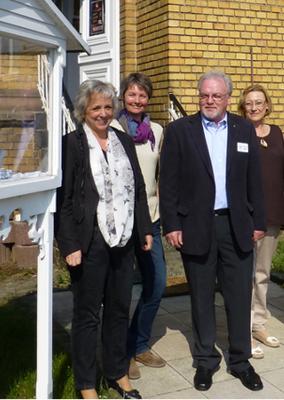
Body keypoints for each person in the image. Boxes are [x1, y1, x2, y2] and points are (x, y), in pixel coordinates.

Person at [159, 70, 266, 392]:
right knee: (202, 298)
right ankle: (205, 361)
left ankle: (240, 361)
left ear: (228, 99)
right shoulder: (179, 130)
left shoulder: (244, 128)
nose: (209, 101)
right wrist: (172, 224)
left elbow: (254, 180)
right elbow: (168, 183)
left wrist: (258, 221)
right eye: (205, 95)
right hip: (195, 226)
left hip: (237, 226)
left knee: (238, 296)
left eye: (216, 96)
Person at [56, 80, 154, 400]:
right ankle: (86, 385)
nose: (103, 113)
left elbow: (137, 189)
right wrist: (69, 245)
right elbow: (65, 201)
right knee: (87, 315)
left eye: (108, 107)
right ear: (84, 110)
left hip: (124, 238)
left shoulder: (122, 140)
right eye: (96, 107)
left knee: (118, 309)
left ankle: (117, 373)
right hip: (89, 241)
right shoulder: (70, 144)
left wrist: (146, 229)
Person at [110, 73, 168, 379]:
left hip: (151, 219)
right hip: (120, 222)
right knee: (120, 291)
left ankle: (138, 342)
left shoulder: (157, 130)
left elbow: (161, 174)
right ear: (123, 97)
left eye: (142, 96)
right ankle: (121, 352)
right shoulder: (111, 128)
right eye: (132, 95)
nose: (137, 100)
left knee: (156, 283)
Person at [237, 84, 284, 360]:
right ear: (242, 108)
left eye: (259, 102)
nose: (254, 107)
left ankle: (258, 325)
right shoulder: (237, 132)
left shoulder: (278, 133)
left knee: (263, 274)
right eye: (249, 103)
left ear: (267, 105)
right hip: (245, 215)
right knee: (245, 275)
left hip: (270, 213)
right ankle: (242, 331)